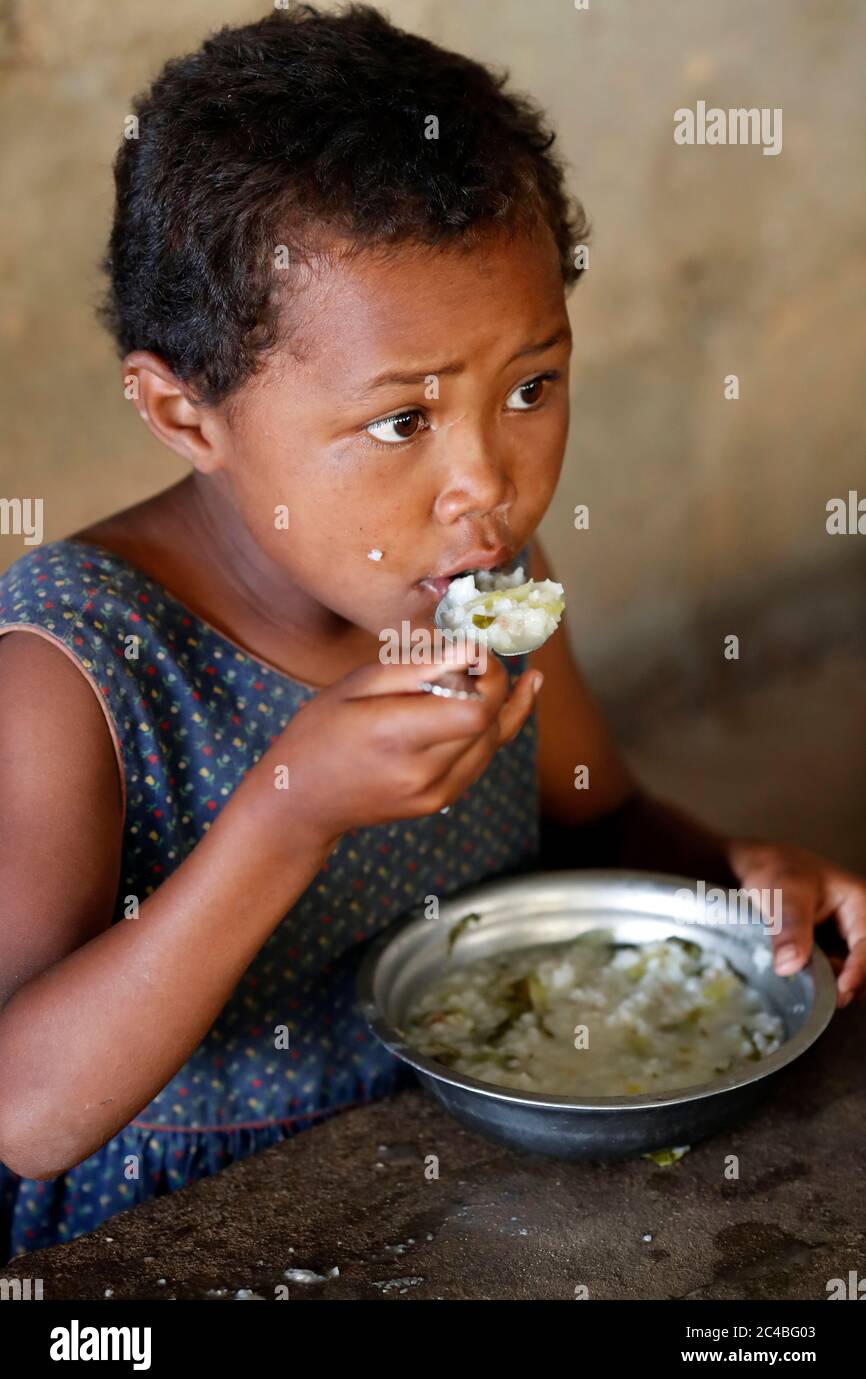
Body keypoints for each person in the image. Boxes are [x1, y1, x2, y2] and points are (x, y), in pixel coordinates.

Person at [0, 4, 862, 1262]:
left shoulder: (488, 574)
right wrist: (292, 808)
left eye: (529, 388)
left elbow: (600, 819)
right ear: (186, 417)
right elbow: (26, 1110)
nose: (488, 486)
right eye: (402, 422)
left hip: (484, 1171)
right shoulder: (77, 668)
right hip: (185, 1237)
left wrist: (737, 888)